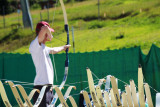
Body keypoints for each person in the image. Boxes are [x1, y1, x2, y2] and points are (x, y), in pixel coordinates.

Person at [29, 21, 70, 107]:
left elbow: (54, 50)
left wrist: (64, 47)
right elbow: (44, 28)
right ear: (42, 32)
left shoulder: (44, 47)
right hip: (41, 89)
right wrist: (49, 33)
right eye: (49, 32)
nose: (50, 34)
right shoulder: (35, 45)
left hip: (48, 89)